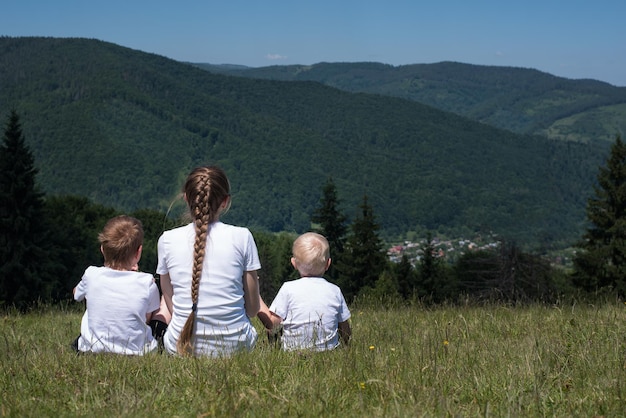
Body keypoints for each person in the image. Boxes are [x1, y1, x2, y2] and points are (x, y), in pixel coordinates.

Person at [157, 166, 261, 357]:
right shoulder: (243, 237)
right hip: (236, 348)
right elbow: (253, 310)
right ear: (225, 201)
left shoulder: (167, 240)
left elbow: (171, 303)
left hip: (180, 345)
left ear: (186, 198)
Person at [73, 215, 162, 355]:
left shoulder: (91, 275)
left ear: (102, 249)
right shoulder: (147, 282)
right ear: (138, 252)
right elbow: (146, 317)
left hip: (90, 351)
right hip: (136, 353)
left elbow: (76, 295)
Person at [258, 232, 351, 351]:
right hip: (329, 353)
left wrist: (255, 295)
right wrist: (347, 346)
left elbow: (271, 324)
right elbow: (345, 329)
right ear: (328, 264)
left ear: (294, 263)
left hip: (294, 354)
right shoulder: (335, 291)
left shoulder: (288, 288)